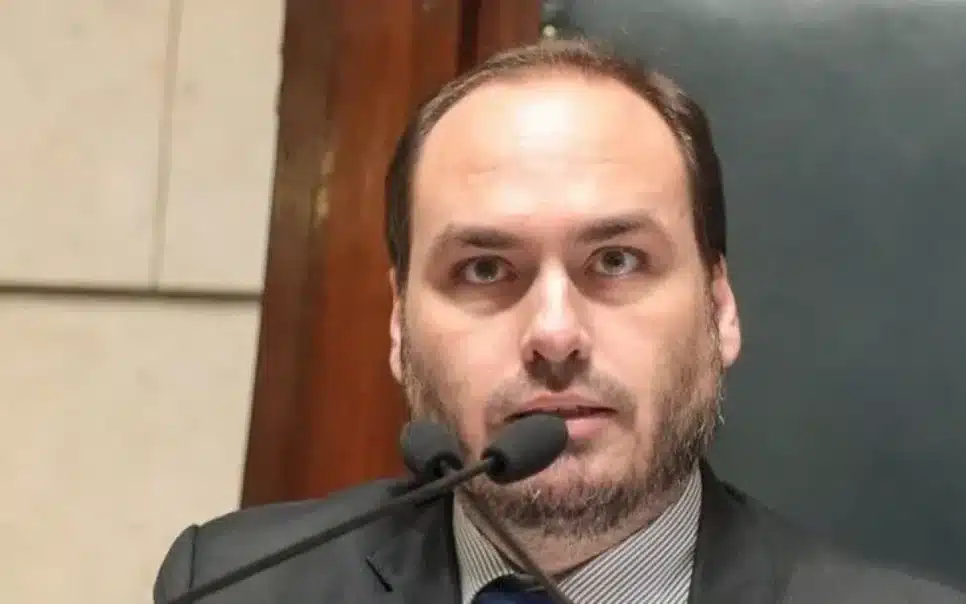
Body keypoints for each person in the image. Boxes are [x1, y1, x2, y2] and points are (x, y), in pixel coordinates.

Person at [153, 38, 964, 604]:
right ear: (399, 326)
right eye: (484, 269)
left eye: (616, 260)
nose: (553, 333)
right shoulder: (234, 587)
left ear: (719, 309)